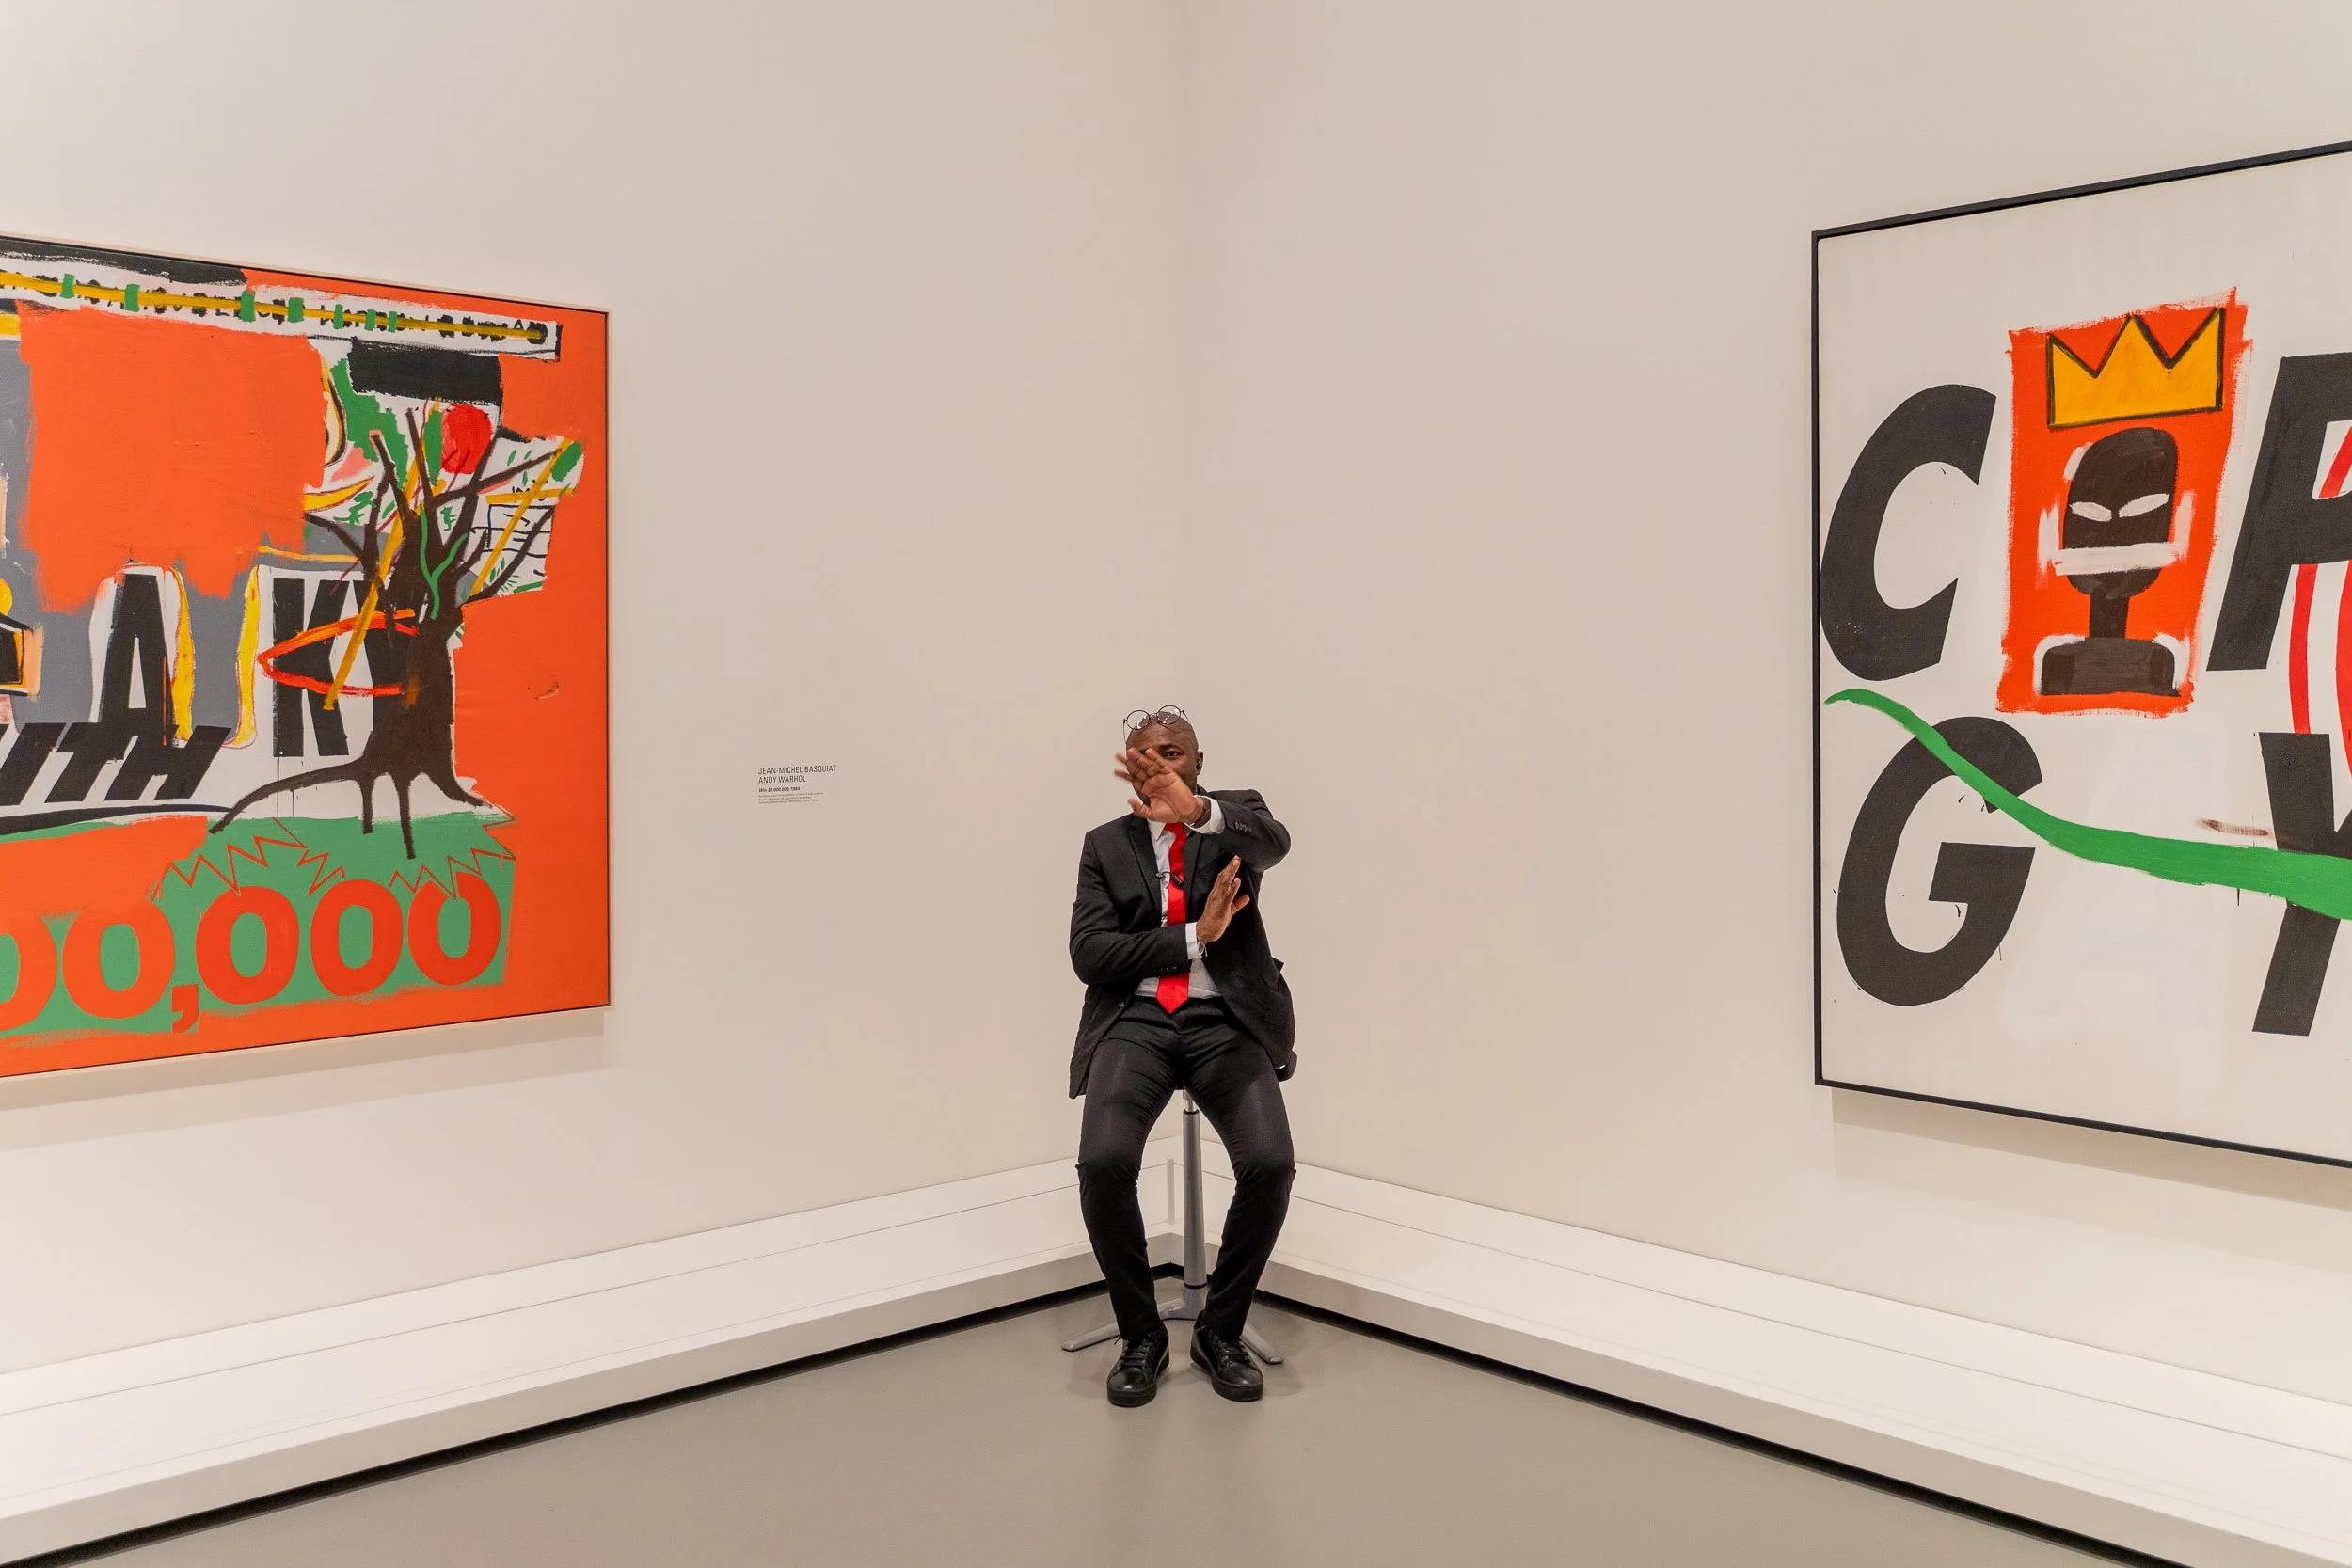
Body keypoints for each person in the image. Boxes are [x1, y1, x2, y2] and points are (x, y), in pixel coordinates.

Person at [1068, 706, 1297, 1406]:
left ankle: (1219, 1330)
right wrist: (1193, 937)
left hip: (1224, 1021)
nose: (1158, 761)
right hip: (1136, 1020)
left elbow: (1276, 844)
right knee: (1105, 1162)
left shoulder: (1236, 820)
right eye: (1144, 752)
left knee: (1270, 1163)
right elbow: (1090, 954)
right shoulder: (1105, 844)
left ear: (1198, 760)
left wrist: (1195, 810)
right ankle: (1140, 1334)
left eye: (1172, 751)